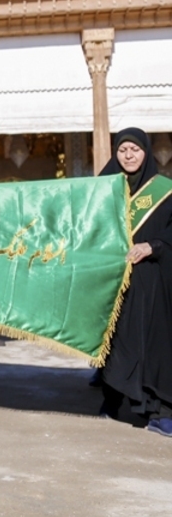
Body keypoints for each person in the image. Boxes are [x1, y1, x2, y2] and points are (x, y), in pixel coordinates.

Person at [98, 128, 172, 436]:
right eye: (123, 149)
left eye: (135, 149)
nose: (128, 155)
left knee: (154, 342)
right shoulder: (104, 189)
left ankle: (160, 410)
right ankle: (112, 399)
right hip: (114, 281)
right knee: (116, 342)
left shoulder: (166, 191)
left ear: (146, 152)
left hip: (153, 279)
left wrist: (152, 246)